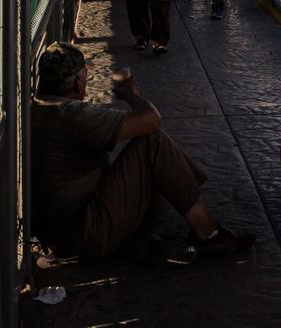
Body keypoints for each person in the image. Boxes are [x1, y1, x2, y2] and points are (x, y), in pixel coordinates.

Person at [31, 42, 255, 264]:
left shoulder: (39, 106)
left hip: (60, 232)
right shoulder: (72, 115)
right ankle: (207, 232)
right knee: (151, 142)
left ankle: (150, 233)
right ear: (79, 82)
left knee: (146, 156)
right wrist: (130, 94)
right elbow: (151, 120)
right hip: (85, 234)